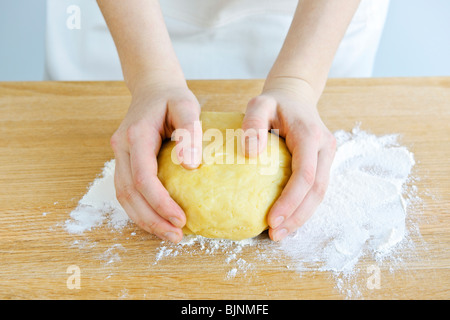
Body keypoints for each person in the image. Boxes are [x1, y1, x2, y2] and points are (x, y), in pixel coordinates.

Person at [46, 0, 390, 243]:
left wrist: (298, 83)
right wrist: (151, 77)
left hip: (311, 23)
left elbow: (301, 82)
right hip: (129, 21)